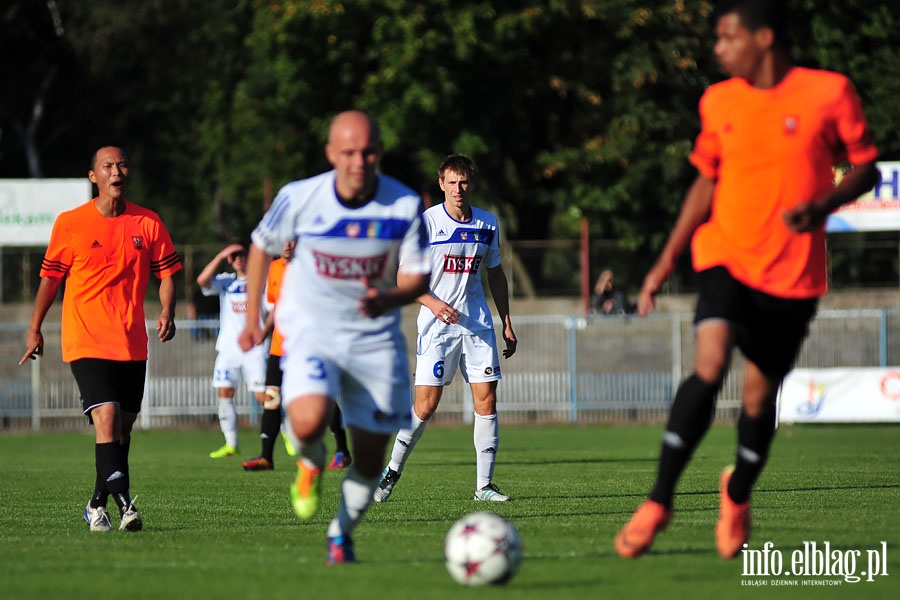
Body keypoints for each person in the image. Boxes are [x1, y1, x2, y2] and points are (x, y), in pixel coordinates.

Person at [614, 0, 879, 560]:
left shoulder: (828, 91)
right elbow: (705, 183)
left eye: (727, 37)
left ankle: (736, 493)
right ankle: (658, 501)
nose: (717, 48)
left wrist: (822, 206)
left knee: (758, 404)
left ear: (764, 38)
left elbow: (867, 167)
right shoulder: (719, 100)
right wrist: (665, 262)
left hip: (792, 275)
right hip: (725, 257)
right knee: (709, 367)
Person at [238, 110, 431, 564]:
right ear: (330, 154)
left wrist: (386, 299)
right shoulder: (300, 197)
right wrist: (252, 318)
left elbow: (419, 277)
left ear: (379, 153)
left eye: (367, 152)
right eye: (348, 152)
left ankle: (340, 532)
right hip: (312, 330)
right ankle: (309, 461)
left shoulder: (403, 205)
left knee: (368, 460)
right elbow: (261, 247)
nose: (358, 161)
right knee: (306, 423)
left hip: (374, 340)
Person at [19, 145, 182, 532]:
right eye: (107, 166)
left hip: (130, 341)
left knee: (122, 430)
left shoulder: (148, 223)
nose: (116, 171)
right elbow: (51, 279)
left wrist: (167, 310)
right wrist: (34, 326)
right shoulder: (71, 223)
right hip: (86, 338)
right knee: (105, 419)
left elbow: (168, 273)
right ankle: (126, 505)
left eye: (122, 164)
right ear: (94, 176)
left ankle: (96, 502)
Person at [374, 154, 517, 504]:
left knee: (487, 400)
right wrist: (433, 303)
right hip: (437, 328)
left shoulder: (487, 223)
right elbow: (404, 278)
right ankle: (391, 471)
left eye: (464, 182)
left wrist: (507, 322)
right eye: (451, 182)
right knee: (425, 407)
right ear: (441, 184)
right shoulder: (424, 225)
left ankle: (484, 486)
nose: (458, 189)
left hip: (477, 325)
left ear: (472, 184)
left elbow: (495, 274)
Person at [241, 240, 353, 471]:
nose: (288, 245)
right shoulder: (274, 268)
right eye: (284, 240)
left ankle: (342, 451)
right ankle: (266, 457)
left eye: (293, 240)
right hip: (279, 347)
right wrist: (264, 331)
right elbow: (275, 307)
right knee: (271, 399)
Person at [197, 241, 271, 459]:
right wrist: (221, 255)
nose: (237, 259)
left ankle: (287, 435)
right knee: (224, 394)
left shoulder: (261, 281)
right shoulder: (226, 282)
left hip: (255, 348)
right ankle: (231, 444)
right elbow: (201, 281)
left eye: (241, 255)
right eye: (233, 256)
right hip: (229, 349)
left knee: (263, 396)